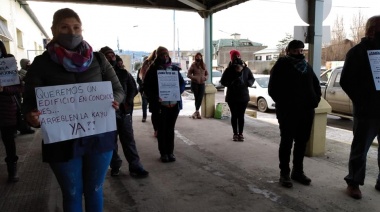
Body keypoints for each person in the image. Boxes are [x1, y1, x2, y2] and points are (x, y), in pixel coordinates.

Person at [22, 8, 124, 211]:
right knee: (72, 193)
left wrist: (114, 100)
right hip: (62, 140)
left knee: (95, 189)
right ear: (54, 30)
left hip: (99, 135)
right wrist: (31, 116)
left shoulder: (98, 59)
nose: (72, 32)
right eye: (65, 27)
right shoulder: (41, 64)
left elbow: (118, 90)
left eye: (76, 27)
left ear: (82, 29)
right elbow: (29, 102)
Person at [268, 40, 321, 188]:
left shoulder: (307, 66)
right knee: (287, 142)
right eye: (296, 50)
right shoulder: (281, 65)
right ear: (289, 51)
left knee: (302, 142)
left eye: (301, 50)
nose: (299, 53)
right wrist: (285, 103)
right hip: (288, 112)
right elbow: (273, 89)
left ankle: (298, 171)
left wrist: (315, 100)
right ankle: (284, 173)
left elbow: (316, 85)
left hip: (306, 111)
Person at [340, 15, 380, 200]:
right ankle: (353, 183)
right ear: (372, 29)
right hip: (366, 112)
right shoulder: (358, 52)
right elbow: (346, 81)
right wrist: (362, 101)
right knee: (360, 149)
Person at [99, 46, 149, 178]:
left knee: (128, 140)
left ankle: (135, 166)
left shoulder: (123, 73)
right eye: (107, 56)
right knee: (111, 142)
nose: (111, 57)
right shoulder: (97, 75)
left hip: (124, 112)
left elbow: (133, 88)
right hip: (106, 114)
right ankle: (115, 166)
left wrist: (127, 101)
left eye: (112, 55)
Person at [144, 46, 185, 163]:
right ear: (158, 56)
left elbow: (181, 83)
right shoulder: (152, 69)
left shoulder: (174, 69)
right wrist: (155, 97)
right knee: (162, 130)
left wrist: (179, 91)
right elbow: (146, 87)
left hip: (174, 105)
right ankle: (163, 153)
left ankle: (170, 152)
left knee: (170, 130)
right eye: (162, 55)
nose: (165, 57)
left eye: (166, 55)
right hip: (161, 106)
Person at [0, 40, 23, 182]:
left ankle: (12, 168)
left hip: (5, 111)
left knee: (8, 141)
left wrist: (4, 89)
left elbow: (19, 88)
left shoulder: (7, 65)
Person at [220, 50, 255, 142]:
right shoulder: (228, 70)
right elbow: (223, 81)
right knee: (234, 115)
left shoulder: (246, 69)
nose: (237, 58)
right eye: (235, 57)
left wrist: (247, 83)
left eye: (238, 56)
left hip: (243, 96)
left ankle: (241, 134)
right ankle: (235, 133)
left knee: (241, 116)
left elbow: (252, 79)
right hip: (232, 96)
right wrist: (231, 82)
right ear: (232, 58)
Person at [16, 58, 35, 135]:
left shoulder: (28, 71)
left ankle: (26, 127)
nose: (29, 64)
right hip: (23, 94)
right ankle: (24, 127)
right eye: (27, 63)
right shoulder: (21, 73)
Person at [187, 52, 208, 119]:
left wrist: (205, 78)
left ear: (201, 57)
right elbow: (188, 74)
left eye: (199, 57)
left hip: (202, 83)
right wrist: (194, 77)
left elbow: (207, 74)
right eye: (197, 57)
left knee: (200, 97)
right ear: (195, 58)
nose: (198, 58)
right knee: (197, 98)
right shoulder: (193, 65)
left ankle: (196, 112)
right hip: (195, 84)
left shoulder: (204, 65)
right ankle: (197, 112)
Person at [137, 56, 149, 123]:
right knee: (144, 103)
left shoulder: (151, 69)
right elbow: (138, 80)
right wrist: (142, 85)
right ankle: (144, 116)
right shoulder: (140, 70)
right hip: (143, 89)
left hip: (150, 89)